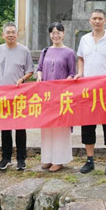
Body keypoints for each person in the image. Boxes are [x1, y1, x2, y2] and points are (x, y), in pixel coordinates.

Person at [75, 9, 106, 175]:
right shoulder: (84, 39)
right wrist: (80, 72)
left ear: (105, 21)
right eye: (94, 18)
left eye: (100, 18)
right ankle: (89, 160)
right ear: (90, 21)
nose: (97, 21)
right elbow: (80, 58)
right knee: (88, 126)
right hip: (88, 89)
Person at [0, 22, 34, 171]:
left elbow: (30, 71)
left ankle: (21, 159)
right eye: (8, 32)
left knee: (20, 127)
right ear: (3, 35)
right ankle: (6, 158)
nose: (11, 35)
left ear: (17, 34)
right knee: (5, 127)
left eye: (13, 32)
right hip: (2, 94)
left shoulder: (24, 50)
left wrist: (22, 79)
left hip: (19, 94)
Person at [35, 22, 76, 172]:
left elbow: (72, 73)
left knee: (60, 127)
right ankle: (47, 158)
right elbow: (39, 68)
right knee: (47, 127)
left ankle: (59, 160)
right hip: (46, 96)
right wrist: (39, 76)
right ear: (50, 35)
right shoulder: (45, 51)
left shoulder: (69, 52)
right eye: (53, 33)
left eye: (58, 33)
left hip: (62, 96)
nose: (55, 35)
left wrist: (65, 83)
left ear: (63, 34)